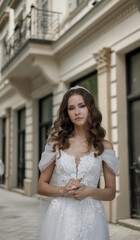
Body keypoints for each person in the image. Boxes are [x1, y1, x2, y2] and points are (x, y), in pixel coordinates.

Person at [38, 85, 118, 240]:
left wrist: (90, 191)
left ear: (90, 109)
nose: (77, 112)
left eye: (82, 106)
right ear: (67, 112)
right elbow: (41, 186)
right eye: (71, 108)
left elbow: (111, 192)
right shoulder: (56, 143)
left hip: (92, 217)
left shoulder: (104, 146)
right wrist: (63, 190)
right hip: (59, 216)